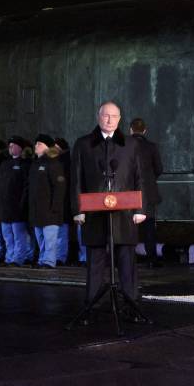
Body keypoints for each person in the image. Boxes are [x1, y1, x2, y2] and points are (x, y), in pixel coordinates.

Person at [71, 101, 147, 322]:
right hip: (94, 213)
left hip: (124, 213)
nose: (109, 120)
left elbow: (140, 177)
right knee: (95, 260)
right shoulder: (84, 144)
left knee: (126, 261)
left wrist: (140, 208)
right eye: (106, 116)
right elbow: (77, 179)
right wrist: (78, 209)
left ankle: (132, 305)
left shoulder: (131, 144)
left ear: (120, 119)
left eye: (114, 116)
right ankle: (91, 307)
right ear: (98, 117)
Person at [28, 134, 67, 269]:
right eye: (36, 143)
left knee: (50, 238)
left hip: (50, 210)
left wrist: (55, 207)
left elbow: (59, 186)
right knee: (41, 239)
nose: (36, 146)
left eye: (39, 144)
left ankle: (49, 261)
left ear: (46, 147)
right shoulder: (35, 164)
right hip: (37, 209)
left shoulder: (53, 163)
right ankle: (42, 259)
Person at [130, 118, 164, 267]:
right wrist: (148, 181)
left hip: (129, 192)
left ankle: (128, 259)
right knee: (149, 227)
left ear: (130, 130)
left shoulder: (123, 145)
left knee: (129, 227)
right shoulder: (151, 147)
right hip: (148, 192)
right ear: (145, 131)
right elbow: (159, 169)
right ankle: (151, 259)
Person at [0, 136, 32, 266]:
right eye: (9, 145)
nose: (10, 147)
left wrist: (22, 202)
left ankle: (18, 258)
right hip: (4, 207)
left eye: (13, 145)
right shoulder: (5, 164)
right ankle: (9, 257)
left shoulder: (25, 164)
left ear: (20, 148)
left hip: (17, 207)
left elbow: (26, 186)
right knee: (7, 235)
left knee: (18, 235)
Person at [54, 138, 74, 266]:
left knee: (62, 232)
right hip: (59, 202)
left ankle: (61, 257)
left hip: (64, 202)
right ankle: (58, 256)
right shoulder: (58, 162)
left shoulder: (65, 163)